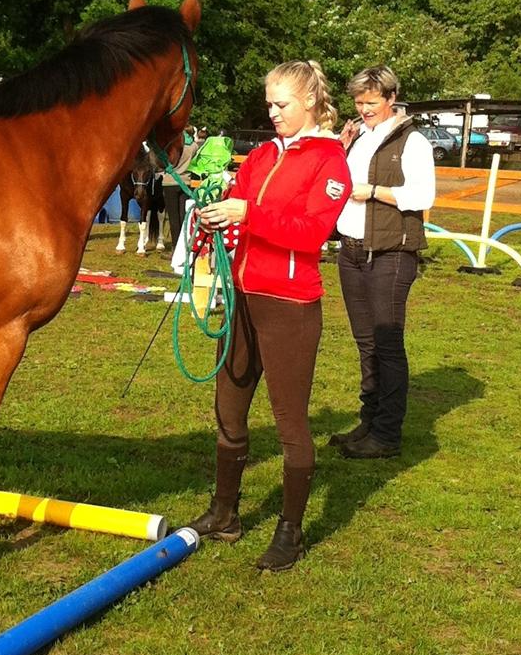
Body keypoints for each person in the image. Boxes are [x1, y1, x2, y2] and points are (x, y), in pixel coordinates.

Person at [185, 61, 350, 571]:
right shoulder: (260, 155)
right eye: (270, 104)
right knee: (228, 409)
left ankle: (290, 532)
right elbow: (238, 203)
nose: (272, 112)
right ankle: (225, 513)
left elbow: (309, 233)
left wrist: (248, 214)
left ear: (309, 103)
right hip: (240, 297)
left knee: (290, 422)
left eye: (281, 104)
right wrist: (214, 215)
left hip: (290, 306)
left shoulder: (331, 163)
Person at [331, 66, 435, 459]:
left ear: (391, 98)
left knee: (387, 345)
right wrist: (340, 150)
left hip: (391, 253)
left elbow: (422, 195)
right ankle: (369, 421)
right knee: (366, 344)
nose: (363, 109)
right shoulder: (358, 137)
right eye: (359, 102)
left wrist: (371, 191)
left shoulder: (414, 141)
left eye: (371, 102)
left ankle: (387, 433)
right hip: (352, 250)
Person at [162, 126, 201, 248]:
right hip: (186, 183)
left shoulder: (173, 146)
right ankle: (184, 246)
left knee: (173, 219)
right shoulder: (194, 146)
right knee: (183, 216)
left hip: (170, 182)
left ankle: (175, 248)